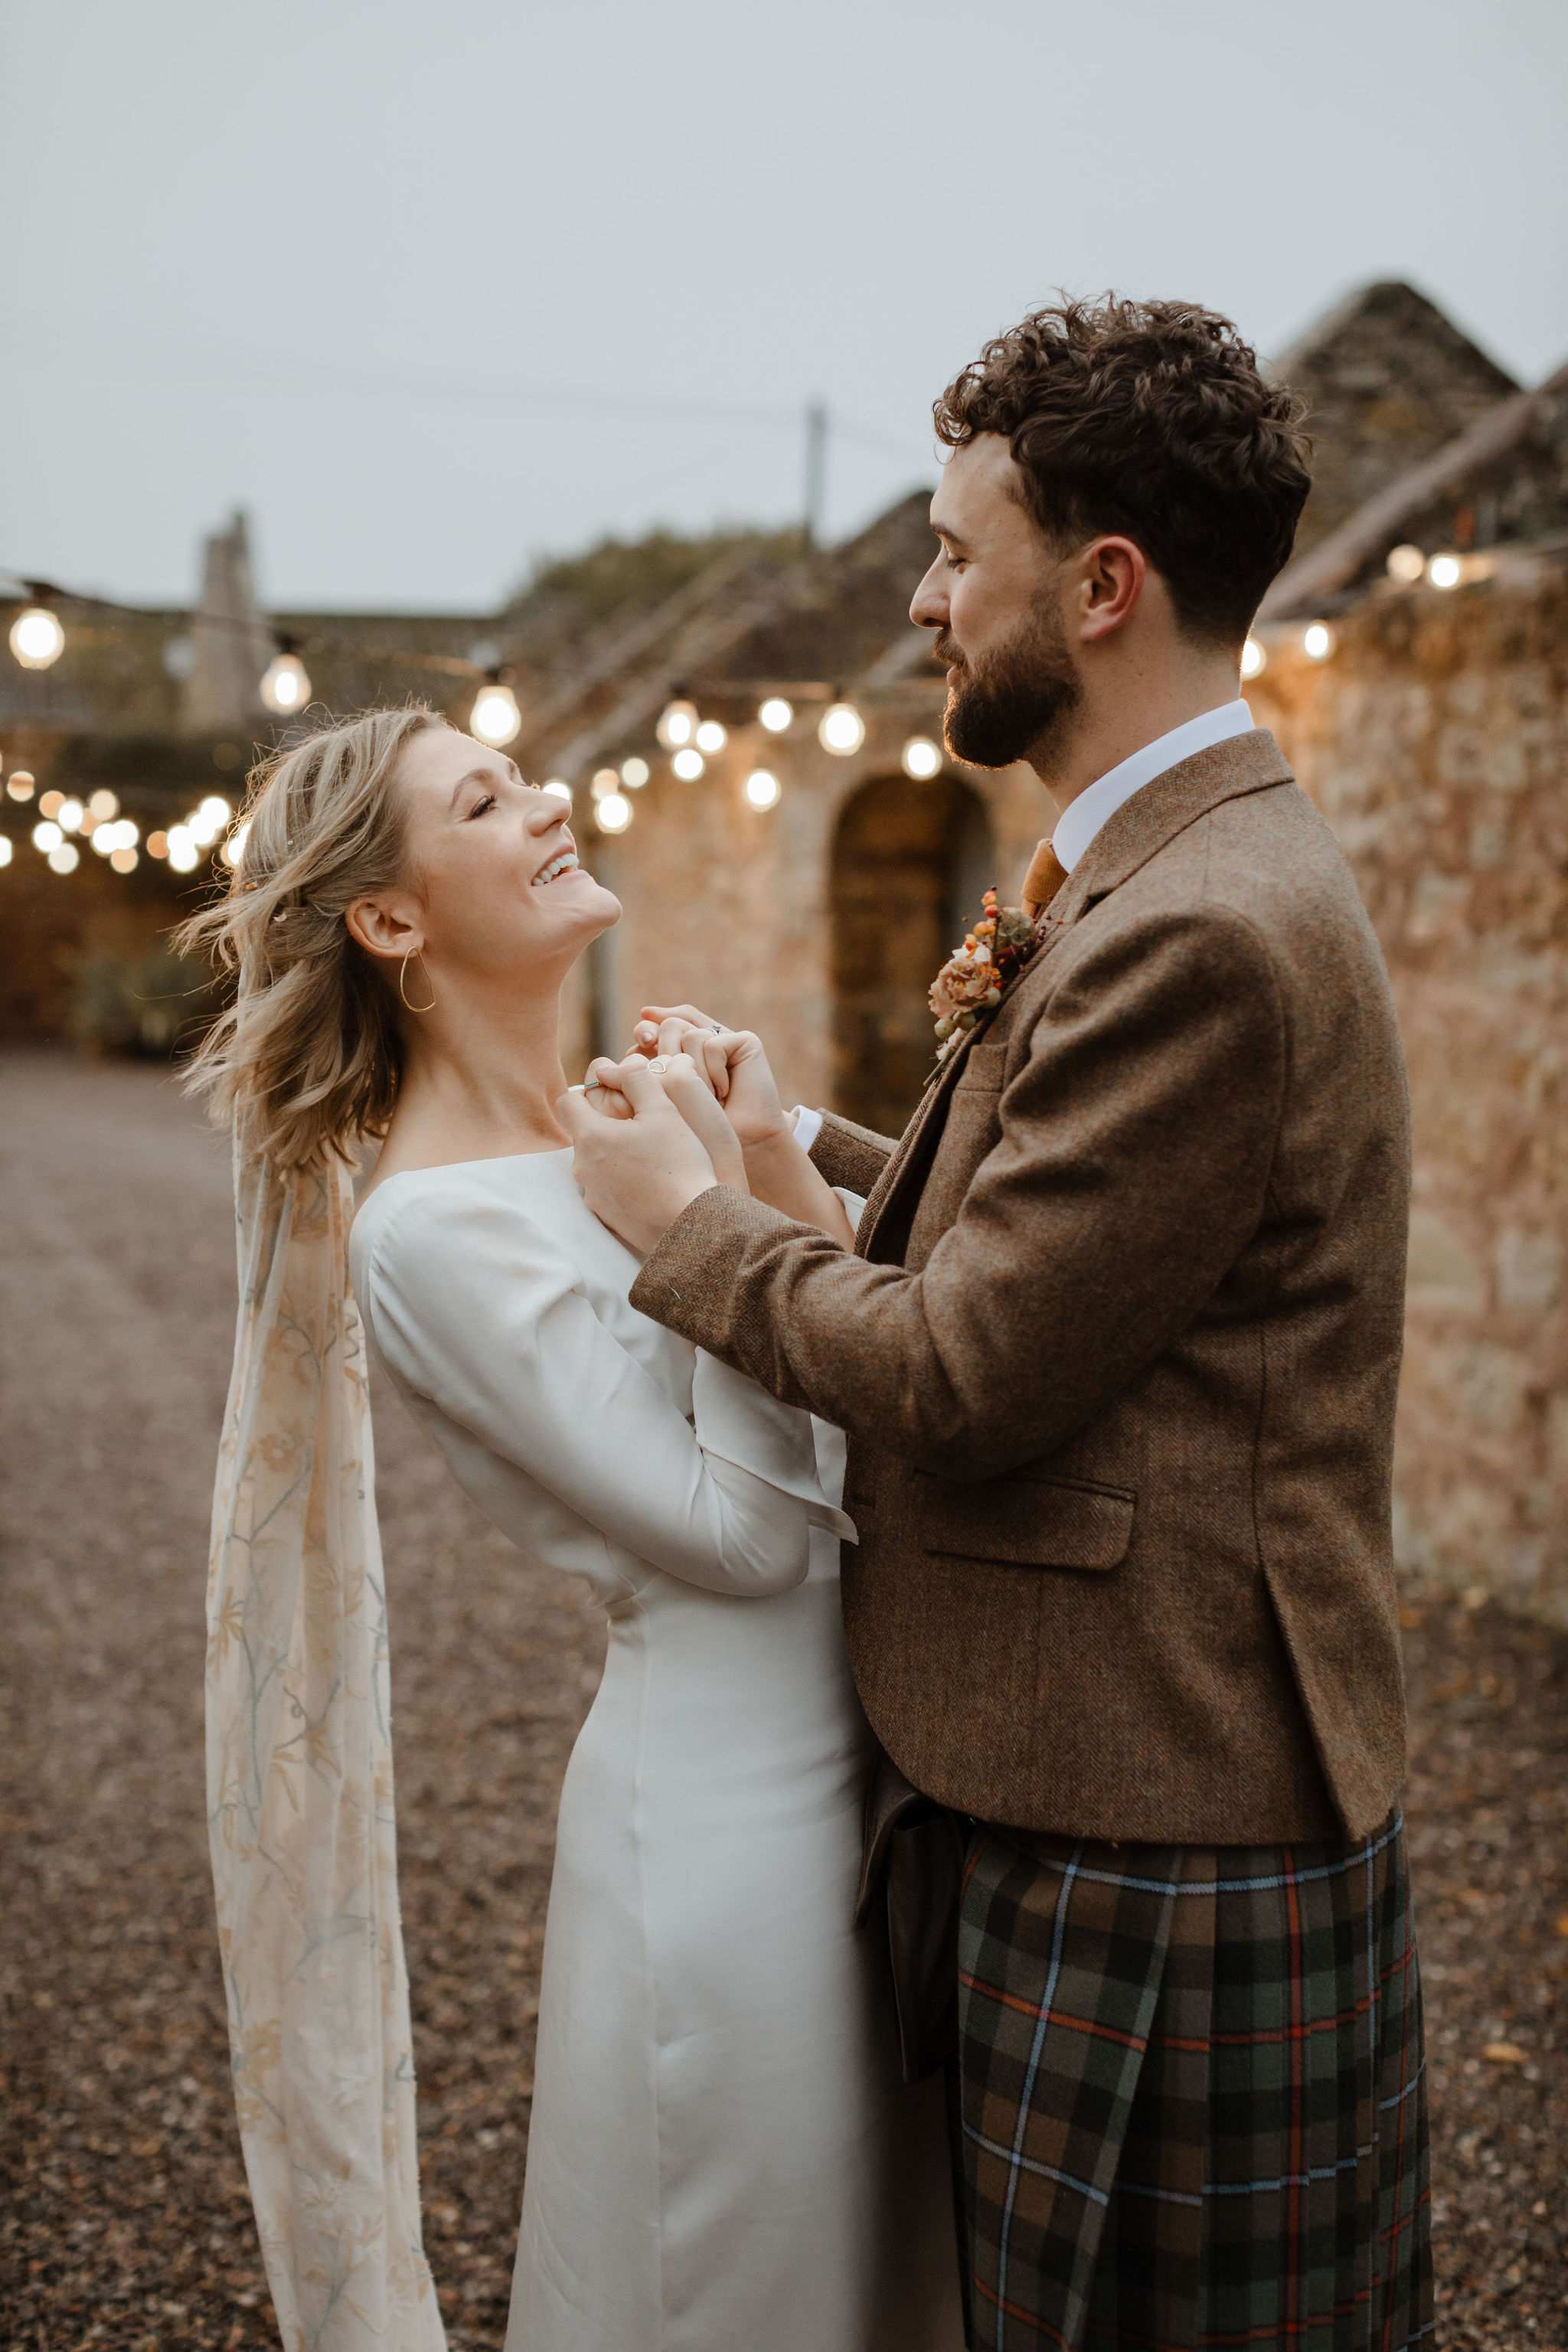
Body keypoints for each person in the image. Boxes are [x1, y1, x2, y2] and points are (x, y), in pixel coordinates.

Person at [565, 296, 1435, 2352]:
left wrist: (686, 1227)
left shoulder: (1204, 928)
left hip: (1157, 1817)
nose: (919, 601)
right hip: (1089, 1781)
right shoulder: (1158, 866)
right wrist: (804, 1137)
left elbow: (966, 1370)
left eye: (960, 553)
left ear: (1104, 584)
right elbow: (1061, 1238)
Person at [179, 707, 962, 2352]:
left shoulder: (604, 1136)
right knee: (742, 2297)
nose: (548, 803)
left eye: (525, 775)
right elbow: (743, 1542)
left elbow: (866, 1397)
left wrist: (752, 1156)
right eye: (485, 798)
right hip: (723, 1841)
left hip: (874, 1789)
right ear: (390, 919)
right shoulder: (431, 1231)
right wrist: (705, 1214)